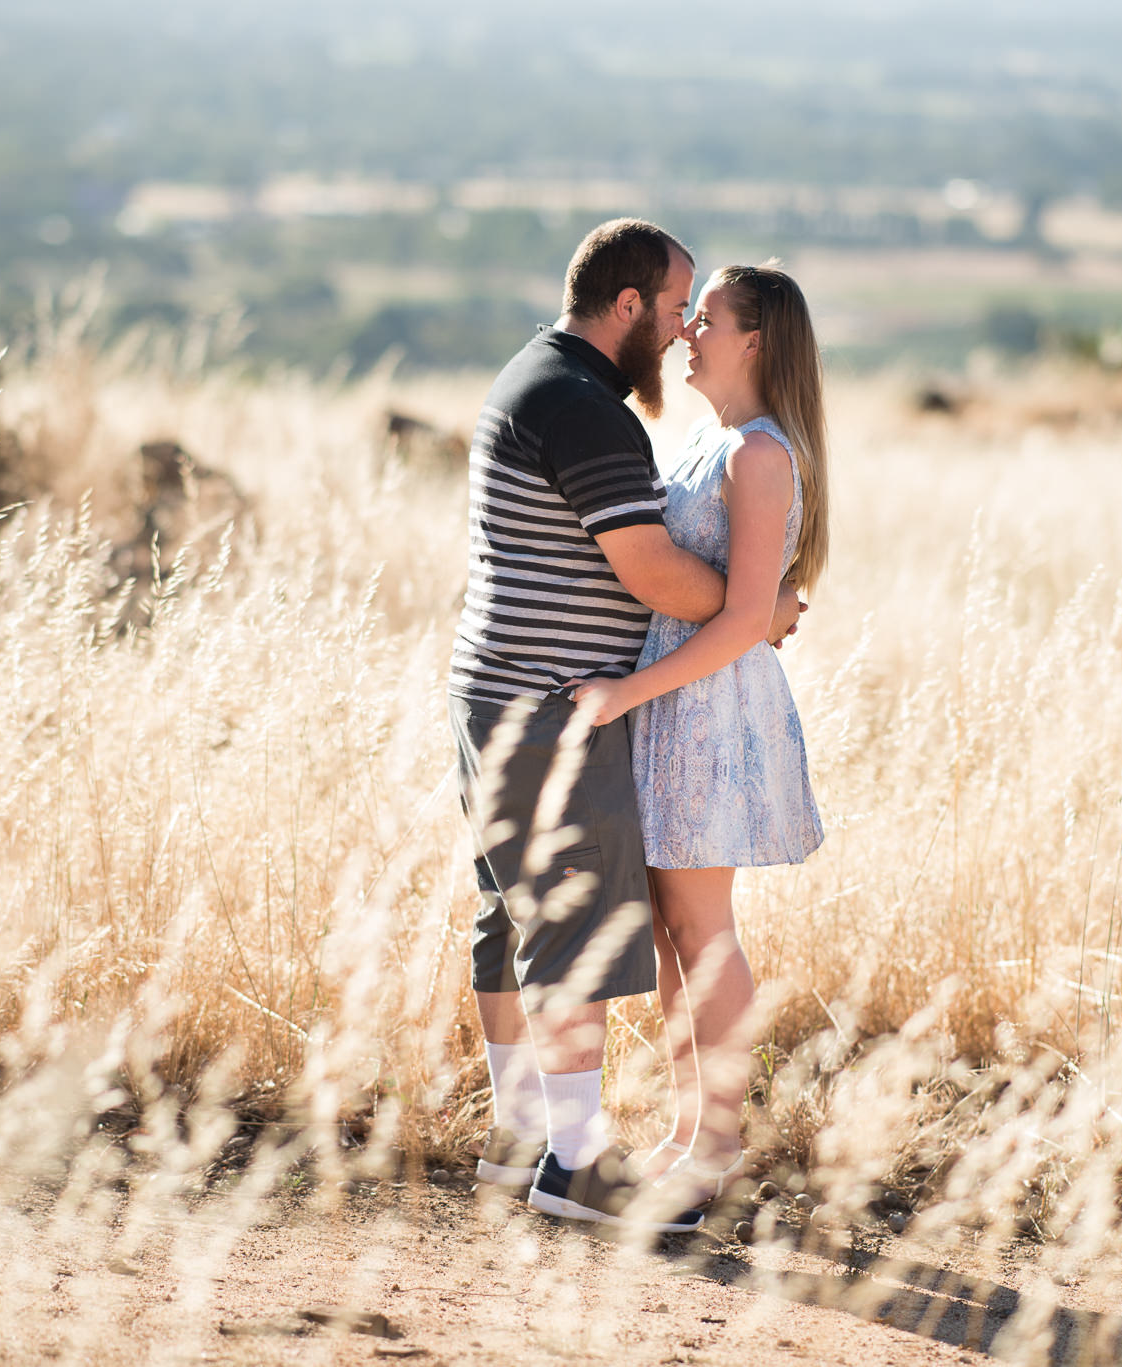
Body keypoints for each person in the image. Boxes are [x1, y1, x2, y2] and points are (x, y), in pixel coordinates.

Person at [449, 221, 802, 1232]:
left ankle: (530, 1137)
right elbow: (648, 572)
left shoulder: (549, 382)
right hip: (557, 699)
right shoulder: (582, 407)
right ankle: (573, 1163)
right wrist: (760, 612)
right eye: (676, 302)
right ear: (627, 306)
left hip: (524, 692)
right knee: (573, 920)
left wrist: (747, 610)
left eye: (707, 310)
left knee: (520, 914)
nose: (685, 324)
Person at [570, 263, 829, 1206]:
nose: (687, 332)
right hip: (679, 701)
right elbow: (740, 602)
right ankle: (689, 1132)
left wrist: (624, 693)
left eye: (706, 319)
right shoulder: (704, 441)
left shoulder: (758, 455)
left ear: (753, 339)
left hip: (707, 709)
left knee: (704, 931)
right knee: (679, 932)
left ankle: (717, 1147)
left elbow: (739, 620)